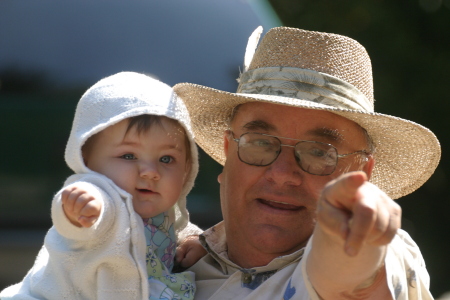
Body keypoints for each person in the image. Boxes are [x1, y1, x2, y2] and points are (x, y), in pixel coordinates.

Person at [173, 26, 441, 299]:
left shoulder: (383, 252)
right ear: (228, 151)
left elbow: (349, 272)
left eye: (319, 152)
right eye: (261, 142)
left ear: (362, 173)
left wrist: (354, 241)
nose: (282, 174)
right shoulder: (162, 262)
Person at [0, 72, 206, 300]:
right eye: (128, 155)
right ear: (86, 160)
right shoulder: (103, 200)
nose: (150, 172)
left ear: (187, 168)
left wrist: (193, 242)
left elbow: (176, 230)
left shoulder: (166, 215)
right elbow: (77, 220)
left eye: (166, 159)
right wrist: (81, 207)